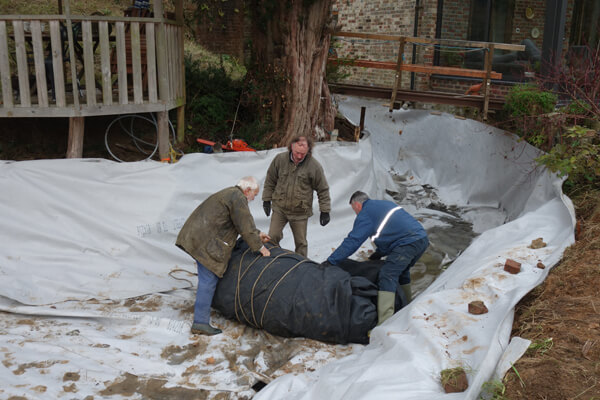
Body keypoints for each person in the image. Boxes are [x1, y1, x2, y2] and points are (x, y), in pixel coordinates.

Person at [176, 176, 271, 336]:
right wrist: (261, 248)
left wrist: (258, 234)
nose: (254, 198)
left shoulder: (231, 193)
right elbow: (244, 225)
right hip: (206, 241)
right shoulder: (238, 197)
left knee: (208, 279)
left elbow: (240, 223)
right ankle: (200, 323)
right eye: (254, 194)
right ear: (247, 190)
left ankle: (202, 318)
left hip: (200, 236)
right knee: (208, 280)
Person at [323, 191, 429, 326]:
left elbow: (353, 241)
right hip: (421, 239)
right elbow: (392, 232)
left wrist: (332, 260)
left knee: (387, 274)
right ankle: (406, 306)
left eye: (353, 209)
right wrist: (379, 253)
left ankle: (385, 322)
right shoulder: (383, 205)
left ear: (357, 204)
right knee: (402, 271)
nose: (355, 212)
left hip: (407, 243)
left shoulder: (366, 213)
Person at [262, 135, 331, 257]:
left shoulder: (314, 166)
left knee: (301, 243)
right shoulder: (280, 160)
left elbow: (323, 189)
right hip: (280, 208)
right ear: (291, 147)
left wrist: (325, 211)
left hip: (300, 212)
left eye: (303, 154)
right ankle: (271, 261)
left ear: (308, 150)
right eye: (297, 152)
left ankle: (302, 266)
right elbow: (270, 180)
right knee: (272, 237)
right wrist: (266, 199)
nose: (299, 156)